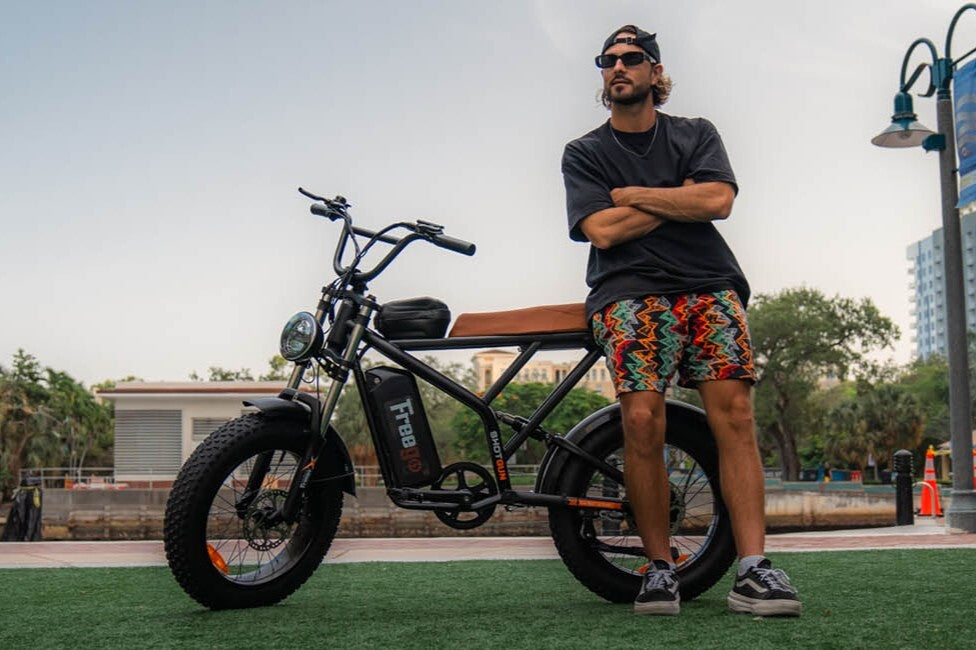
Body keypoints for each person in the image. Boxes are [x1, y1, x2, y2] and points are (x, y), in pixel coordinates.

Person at [561, 25, 801, 617]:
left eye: (631, 57)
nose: (618, 67)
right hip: (629, 291)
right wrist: (678, 196)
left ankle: (753, 569)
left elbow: (718, 201)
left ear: (656, 71)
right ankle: (660, 569)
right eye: (608, 60)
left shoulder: (696, 133)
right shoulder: (584, 152)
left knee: (736, 416)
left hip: (708, 284)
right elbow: (601, 231)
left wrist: (633, 195)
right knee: (642, 418)